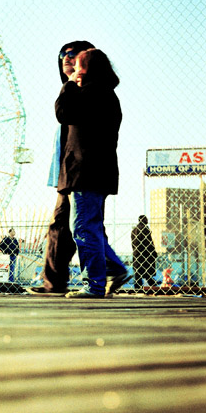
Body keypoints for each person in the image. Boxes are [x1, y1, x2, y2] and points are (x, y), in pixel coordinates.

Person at [55, 48, 130, 298]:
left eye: (77, 65)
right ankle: (113, 269)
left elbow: (63, 113)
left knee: (84, 228)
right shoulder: (105, 93)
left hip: (85, 171)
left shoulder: (91, 93)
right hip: (97, 171)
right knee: (91, 226)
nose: (74, 70)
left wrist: (68, 85)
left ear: (85, 69)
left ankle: (94, 284)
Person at [31, 41, 95, 296]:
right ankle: (54, 281)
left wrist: (69, 84)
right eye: (62, 55)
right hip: (67, 172)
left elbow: (64, 115)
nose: (66, 58)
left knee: (78, 225)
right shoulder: (73, 89)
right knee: (67, 226)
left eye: (73, 54)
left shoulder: (85, 91)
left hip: (78, 171)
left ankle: (109, 269)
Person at [131, 215, 157, 290]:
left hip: (137, 254)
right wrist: (153, 252)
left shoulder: (134, 230)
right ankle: (153, 285)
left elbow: (133, 244)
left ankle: (138, 288)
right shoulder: (145, 229)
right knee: (147, 272)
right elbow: (149, 242)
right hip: (146, 254)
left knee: (138, 274)